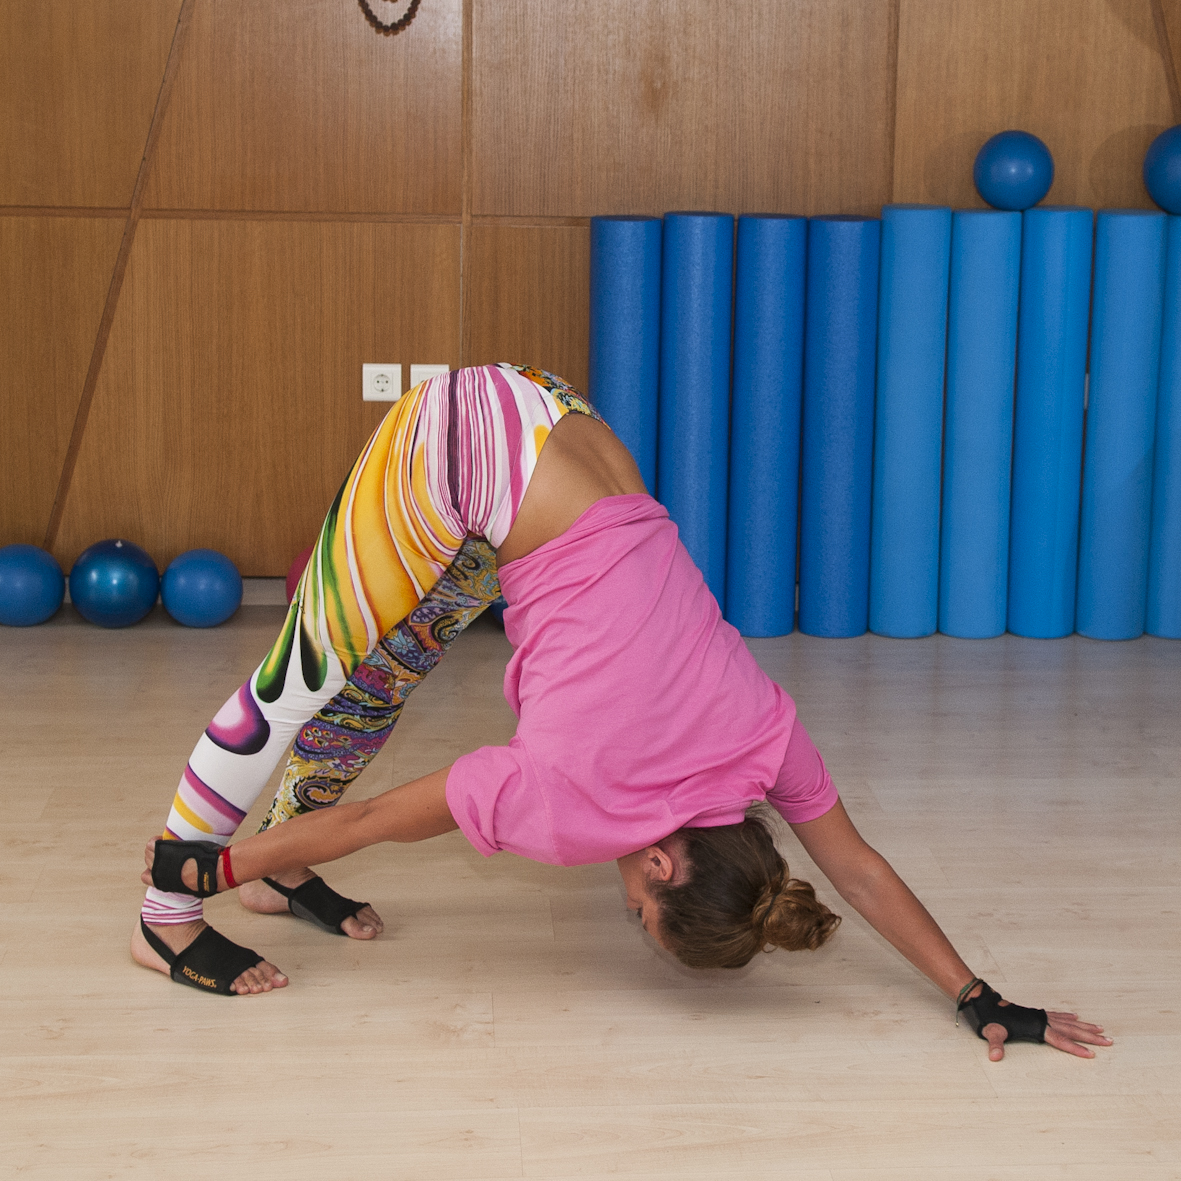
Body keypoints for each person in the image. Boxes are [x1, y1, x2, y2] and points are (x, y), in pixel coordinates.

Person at [134, 363, 1111, 1063]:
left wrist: (975, 993)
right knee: (300, 675)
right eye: (640, 907)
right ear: (659, 859)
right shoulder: (575, 797)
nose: (625, 901)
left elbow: (851, 864)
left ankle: (280, 869)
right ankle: (164, 919)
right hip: (462, 442)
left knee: (387, 671)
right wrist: (210, 865)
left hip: (563, 423)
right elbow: (376, 820)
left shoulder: (764, 736)